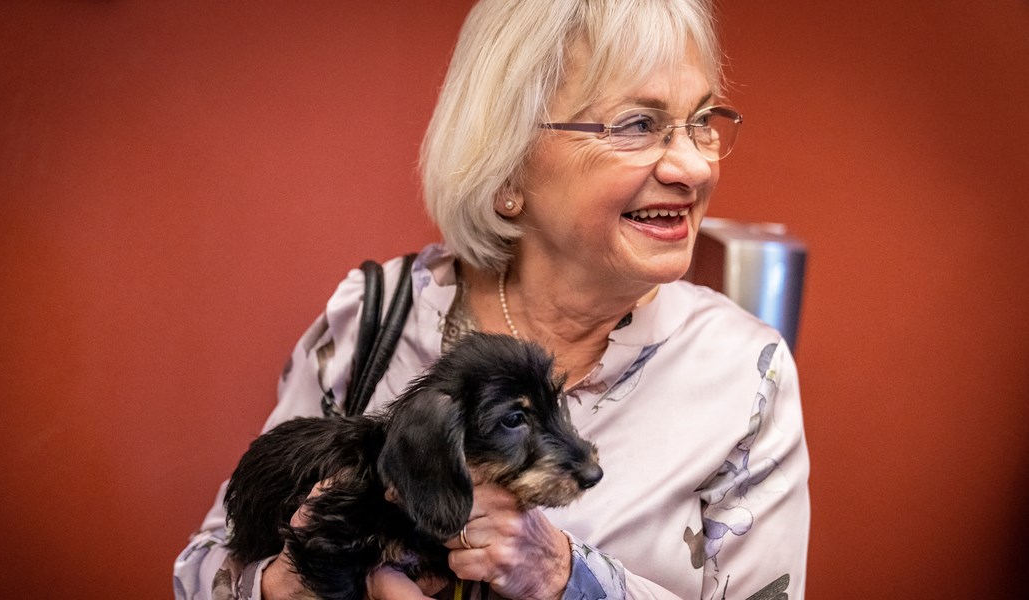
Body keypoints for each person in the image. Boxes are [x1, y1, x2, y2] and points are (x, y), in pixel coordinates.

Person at [174, 0, 810, 599]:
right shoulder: (376, 313)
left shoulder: (745, 375)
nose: (694, 168)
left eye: (701, 122)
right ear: (508, 164)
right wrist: (300, 582)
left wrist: (563, 575)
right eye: (638, 124)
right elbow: (203, 570)